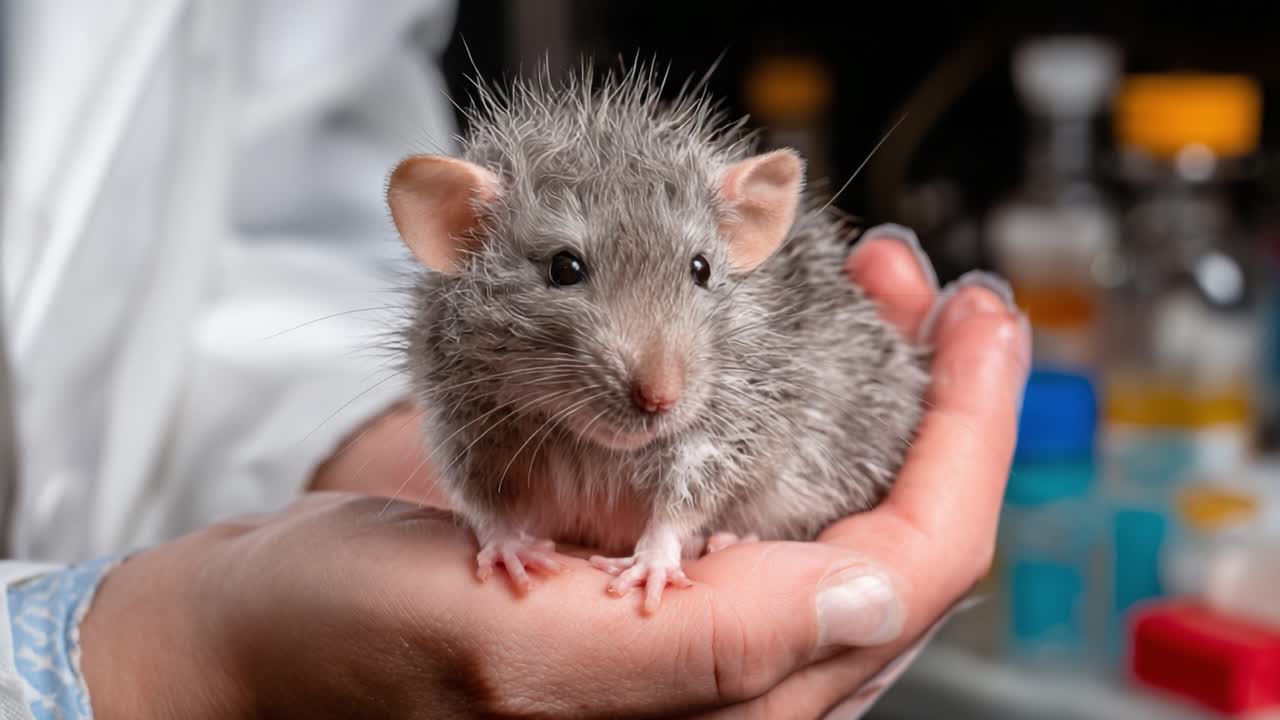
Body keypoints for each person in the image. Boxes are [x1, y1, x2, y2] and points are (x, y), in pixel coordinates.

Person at [0, 1, 1030, 718]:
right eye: (569, 268)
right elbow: (450, 398)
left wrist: (667, 532)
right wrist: (134, 660)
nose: (655, 383)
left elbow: (270, 233)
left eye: (697, 274)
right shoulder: (467, 300)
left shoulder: (737, 323)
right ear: (456, 229)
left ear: (743, 226)